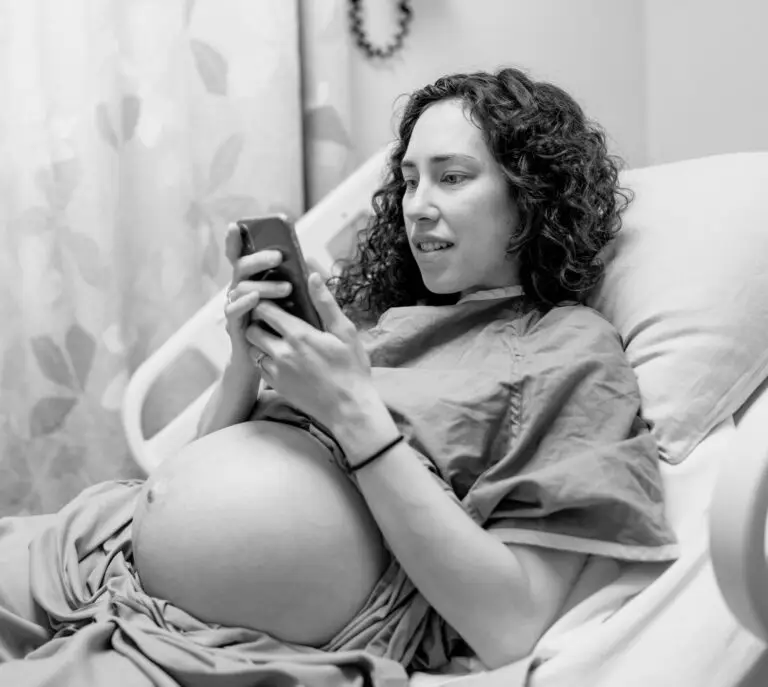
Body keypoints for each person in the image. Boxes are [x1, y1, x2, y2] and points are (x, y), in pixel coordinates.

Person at [0, 67, 678, 687]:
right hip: (96, 551)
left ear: (529, 197)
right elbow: (188, 472)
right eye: (410, 179)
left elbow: (510, 625)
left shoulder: (568, 347)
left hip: (216, 644)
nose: (417, 205)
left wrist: (354, 412)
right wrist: (244, 359)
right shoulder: (374, 318)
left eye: (452, 176)